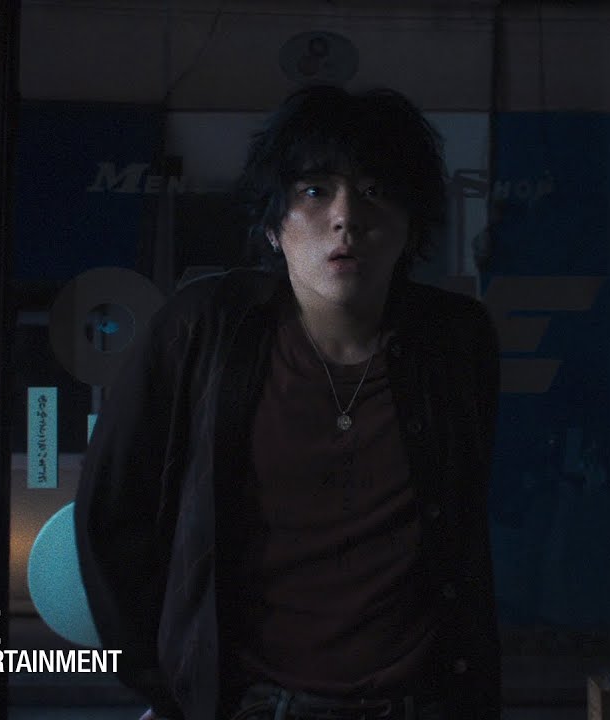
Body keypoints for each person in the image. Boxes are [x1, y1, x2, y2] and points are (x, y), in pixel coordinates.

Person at [75, 85, 502, 720]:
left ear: (412, 223)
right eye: (315, 191)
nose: (346, 217)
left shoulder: (456, 340)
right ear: (274, 225)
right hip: (253, 703)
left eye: (374, 190)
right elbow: (114, 513)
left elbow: (460, 526)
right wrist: (168, 683)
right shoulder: (205, 328)